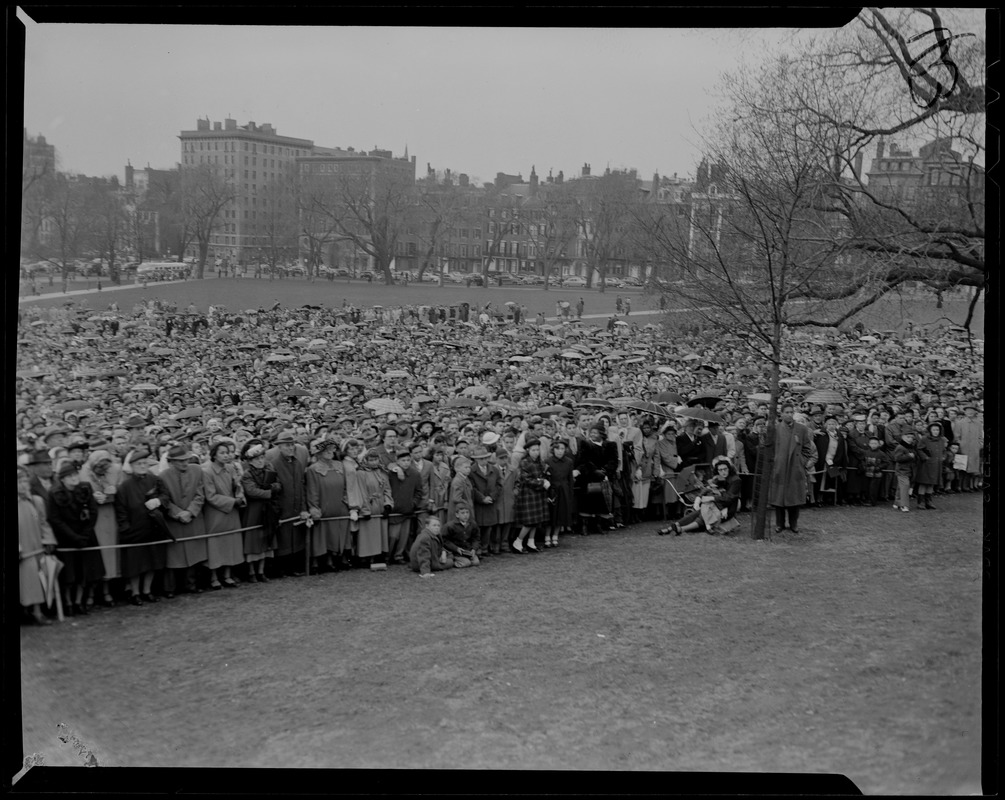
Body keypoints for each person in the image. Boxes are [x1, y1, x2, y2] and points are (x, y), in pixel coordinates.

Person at [47, 460, 105, 615]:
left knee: (84, 573)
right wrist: (73, 537)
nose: (74, 478)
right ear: (62, 479)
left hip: (85, 537)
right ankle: (68, 603)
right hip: (66, 537)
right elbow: (54, 519)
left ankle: (79, 601)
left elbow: (93, 512)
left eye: (75, 474)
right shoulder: (54, 493)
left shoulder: (85, 487)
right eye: (69, 476)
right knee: (69, 574)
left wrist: (85, 535)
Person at [114, 446, 168, 604]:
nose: (143, 466)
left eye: (145, 463)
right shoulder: (125, 486)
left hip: (154, 527)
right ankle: (135, 593)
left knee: (152, 562)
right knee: (135, 565)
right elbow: (121, 511)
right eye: (139, 464)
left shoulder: (155, 480)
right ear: (131, 466)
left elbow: (165, 495)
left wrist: (158, 501)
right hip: (134, 531)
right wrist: (126, 529)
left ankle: (147, 591)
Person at [157, 442, 208, 595]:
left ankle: (191, 584)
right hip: (175, 521)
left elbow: (200, 494)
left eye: (186, 459)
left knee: (193, 554)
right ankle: (170, 588)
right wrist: (178, 513)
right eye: (180, 460)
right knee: (174, 556)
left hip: (193, 518)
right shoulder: (163, 476)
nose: (185, 463)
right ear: (171, 461)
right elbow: (164, 499)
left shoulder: (197, 470)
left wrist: (190, 512)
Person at [201, 440, 247, 589]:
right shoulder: (207, 472)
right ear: (214, 455)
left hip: (232, 511)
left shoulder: (230, 469)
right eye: (222, 453)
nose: (226, 456)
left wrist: (240, 497)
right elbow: (210, 496)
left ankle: (227, 575)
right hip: (216, 513)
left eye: (228, 452)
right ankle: (214, 577)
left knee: (231, 542)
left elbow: (238, 486)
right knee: (215, 545)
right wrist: (233, 502)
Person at [79, 449, 121, 606]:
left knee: (109, 555)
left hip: (110, 517)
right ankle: (90, 593)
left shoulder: (115, 471)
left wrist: (112, 493)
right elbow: (79, 495)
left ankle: (107, 590)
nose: (103, 470)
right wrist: (91, 497)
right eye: (100, 467)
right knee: (96, 554)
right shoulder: (83, 473)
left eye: (105, 466)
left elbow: (120, 490)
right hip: (93, 520)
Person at [18, 466, 59, 625]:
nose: (23, 485)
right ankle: (24, 612)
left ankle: (37, 612)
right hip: (23, 551)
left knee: (36, 581)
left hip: (36, 549)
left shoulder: (35, 501)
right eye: (19, 481)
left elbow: (43, 522)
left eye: (25, 481)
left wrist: (48, 540)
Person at [659, 456, 740, 535]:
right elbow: (707, 488)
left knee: (703, 514)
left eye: (725, 469)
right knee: (696, 513)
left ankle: (681, 529)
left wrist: (712, 498)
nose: (723, 472)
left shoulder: (735, 480)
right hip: (715, 505)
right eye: (720, 470)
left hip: (727, 509)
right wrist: (699, 497)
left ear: (729, 468)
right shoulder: (717, 478)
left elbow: (729, 498)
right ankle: (671, 528)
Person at [266, 430, 310, 577]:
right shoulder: (273, 464)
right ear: (279, 447)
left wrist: (304, 508)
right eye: (286, 445)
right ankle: (282, 569)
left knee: (296, 539)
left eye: (292, 445)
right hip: (282, 508)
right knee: (283, 540)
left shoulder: (298, 463)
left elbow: (302, 486)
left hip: (297, 507)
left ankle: (295, 567)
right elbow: (270, 489)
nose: (290, 448)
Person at [305, 436, 353, 572]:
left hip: (340, 503)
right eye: (326, 449)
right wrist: (314, 507)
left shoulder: (339, 466)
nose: (330, 452)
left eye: (332, 449)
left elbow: (346, 486)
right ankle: (324, 560)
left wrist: (347, 502)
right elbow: (312, 490)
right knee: (323, 533)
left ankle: (340, 557)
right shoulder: (313, 469)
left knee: (341, 531)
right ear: (319, 452)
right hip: (324, 504)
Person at [767, 403, 815, 534]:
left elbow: (807, 449)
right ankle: (779, 524)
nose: (789, 414)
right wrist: (775, 463)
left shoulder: (802, 429)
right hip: (780, 469)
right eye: (786, 412)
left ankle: (794, 523)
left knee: (794, 499)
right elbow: (769, 450)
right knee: (779, 498)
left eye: (791, 412)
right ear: (781, 414)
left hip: (795, 469)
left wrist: (801, 462)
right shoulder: (775, 429)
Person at [239, 439, 280, 581]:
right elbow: (251, 491)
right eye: (256, 459)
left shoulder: (269, 470)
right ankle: (251, 572)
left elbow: (278, 484)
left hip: (267, 509)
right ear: (250, 461)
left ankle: (261, 571)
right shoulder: (247, 474)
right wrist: (269, 493)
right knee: (252, 541)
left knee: (265, 540)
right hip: (254, 511)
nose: (260, 461)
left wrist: (274, 488)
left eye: (262, 457)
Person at [350, 448, 393, 567]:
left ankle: (379, 555)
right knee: (367, 533)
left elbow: (387, 489)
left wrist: (388, 504)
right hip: (369, 505)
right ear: (366, 460)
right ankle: (365, 558)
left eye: (376, 459)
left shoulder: (382, 472)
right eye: (371, 460)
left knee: (380, 532)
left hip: (381, 505)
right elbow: (361, 492)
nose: (374, 462)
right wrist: (365, 509)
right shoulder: (361, 473)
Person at [574, 422, 619, 535]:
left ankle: (599, 525)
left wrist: (605, 471)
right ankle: (585, 526)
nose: (592, 434)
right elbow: (583, 461)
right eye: (591, 432)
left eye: (595, 432)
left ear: (601, 434)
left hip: (603, 478)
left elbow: (613, 461)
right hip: (588, 478)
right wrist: (594, 471)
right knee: (587, 503)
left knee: (601, 503)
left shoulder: (610, 445)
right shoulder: (585, 444)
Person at [386, 446, 426, 565]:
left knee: (404, 536)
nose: (406, 463)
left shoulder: (415, 474)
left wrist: (413, 503)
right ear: (397, 461)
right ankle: (388, 556)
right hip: (395, 509)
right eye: (403, 460)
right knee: (393, 535)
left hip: (408, 509)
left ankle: (398, 555)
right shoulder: (391, 473)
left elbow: (419, 491)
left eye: (408, 460)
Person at [468, 445, 501, 556]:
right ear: (476, 459)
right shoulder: (471, 471)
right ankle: (478, 549)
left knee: (488, 527)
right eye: (481, 458)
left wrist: (492, 496)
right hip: (479, 504)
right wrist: (482, 498)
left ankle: (485, 547)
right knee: (478, 527)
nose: (484, 460)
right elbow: (472, 488)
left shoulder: (494, 470)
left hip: (491, 502)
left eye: (486, 458)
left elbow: (499, 484)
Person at [544, 438, 576, 548]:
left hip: (564, 490)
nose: (560, 451)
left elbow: (570, 479)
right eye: (557, 448)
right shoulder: (548, 461)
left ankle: (555, 536)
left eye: (562, 448)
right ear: (553, 449)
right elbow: (546, 477)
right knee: (551, 514)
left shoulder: (569, 462)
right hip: (552, 490)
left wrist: (570, 493)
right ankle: (547, 536)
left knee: (561, 514)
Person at [891, 430, 928, 513]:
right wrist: (908, 456)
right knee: (905, 486)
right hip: (902, 470)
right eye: (908, 437)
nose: (910, 439)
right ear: (903, 437)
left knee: (901, 487)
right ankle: (904, 505)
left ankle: (897, 502)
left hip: (909, 470)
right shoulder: (900, 447)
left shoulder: (911, 447)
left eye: (911, 437)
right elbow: (897, 458)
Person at [915, 423, 946, 509]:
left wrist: (943, 457)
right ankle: (920, 502)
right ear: (930, 430)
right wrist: (925, 458)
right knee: (924, 483)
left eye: (937, 430)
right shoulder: (924, 439)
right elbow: (919, 449)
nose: (936, 432)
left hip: (937, 465)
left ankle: (928, 501)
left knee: (931, 483)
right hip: (926, 464)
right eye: (934, 430)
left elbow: (944, 450)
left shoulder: (941, 440)